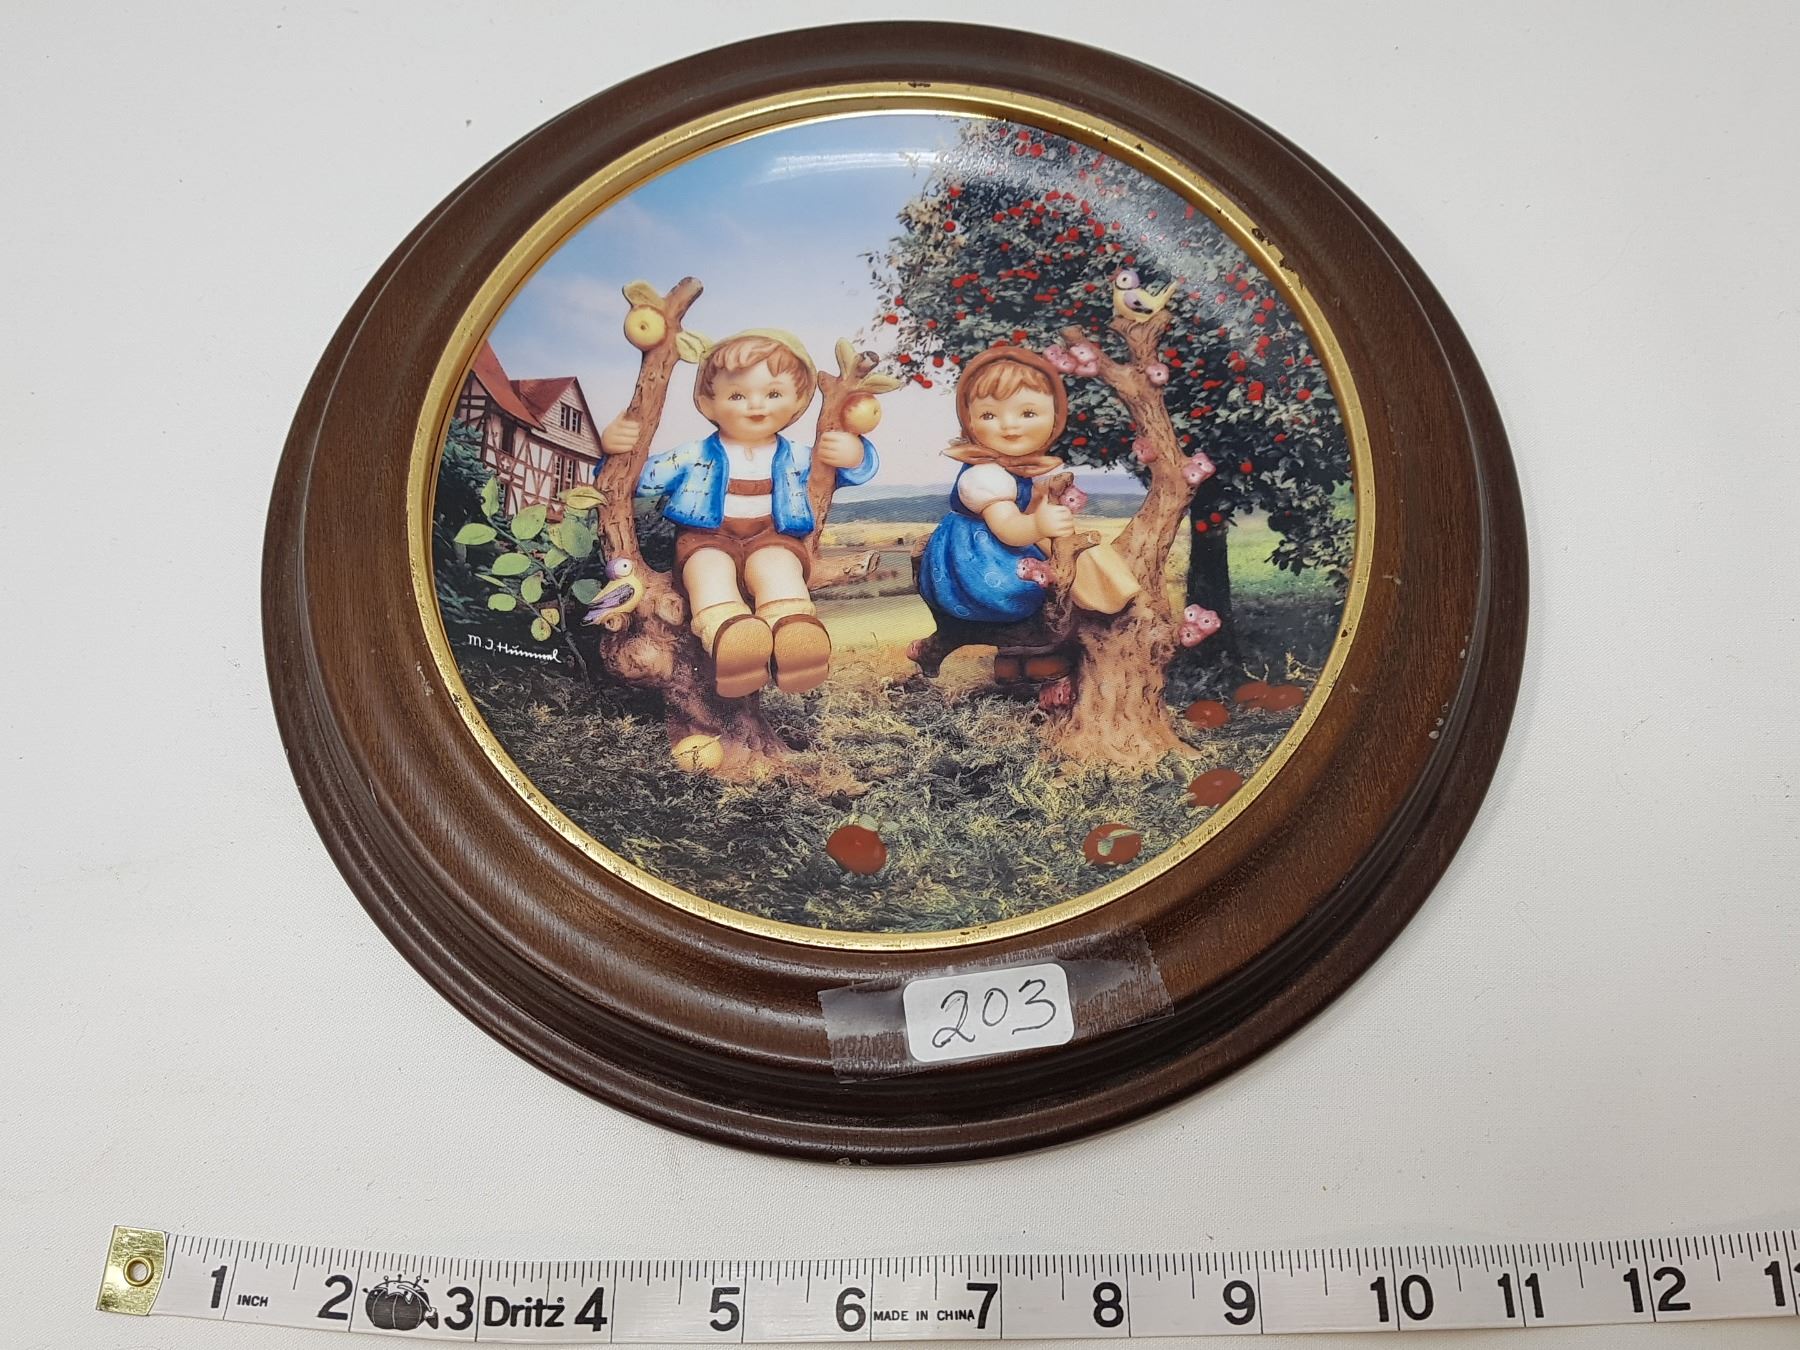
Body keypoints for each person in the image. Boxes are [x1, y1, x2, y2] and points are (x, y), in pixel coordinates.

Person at [599, 329, 878, 699]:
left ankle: (794, 638)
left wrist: (854, 455)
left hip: (772, 537)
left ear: (799, 400)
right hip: (706, 540)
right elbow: (638, 480)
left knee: (780, 569)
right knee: (708, 573)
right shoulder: (693, 454)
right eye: (737, 395)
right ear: (708, 403)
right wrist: (613, 450)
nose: (755, 405)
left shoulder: (797, 456)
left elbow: (838, 474)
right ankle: (732, 640)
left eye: (773, 393)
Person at [916, 345, 1076, 625]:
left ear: (1055, 417)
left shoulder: (1018, 469)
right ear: (969, 422)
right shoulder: (985, 475)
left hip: (1003, 550)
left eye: (1028, 413)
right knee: (1030, 591)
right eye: (989, 415)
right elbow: (1008, 529)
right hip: (978, 566)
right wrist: (1038, 524)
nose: (1009, 426)